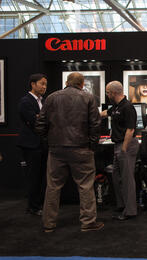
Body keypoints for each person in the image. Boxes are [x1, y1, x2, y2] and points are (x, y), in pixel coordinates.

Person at [35, 72, 104, 233]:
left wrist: (49, 141)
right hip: (81, 148)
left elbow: (40, 124)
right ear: (82, 84)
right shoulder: (88, 98)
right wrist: (92, 146)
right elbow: (95, 125)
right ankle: (88, 222)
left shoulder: (51, 97)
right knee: (86, 186)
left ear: (66, 82)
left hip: (56, 149)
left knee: (53, 186)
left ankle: (48, 223)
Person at [101, 81, 139, 221]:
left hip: (126, 145)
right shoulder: (117, 106)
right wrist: (94, 115)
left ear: (113, 93)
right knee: (117, 177)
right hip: (118, 145)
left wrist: (124, 148)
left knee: (127, 179)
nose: (107, 95)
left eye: (108, 92)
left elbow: (131, 129)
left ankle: (130, 211)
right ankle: (121, 205)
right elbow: (106, 113)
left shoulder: (128, 107)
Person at [17, 73, 48, 216]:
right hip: (31, 144)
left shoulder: (44, 101)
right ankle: (33, 206)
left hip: (42, 143)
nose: (44, 87)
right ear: (33, 84)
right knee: (33, 176)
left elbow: (42, 119)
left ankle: (38, 204)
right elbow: (35, 122)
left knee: (42, 176)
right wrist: (40, 119)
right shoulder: (25, 101)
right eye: (41, 84)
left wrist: (40, 118)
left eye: (45, 84)